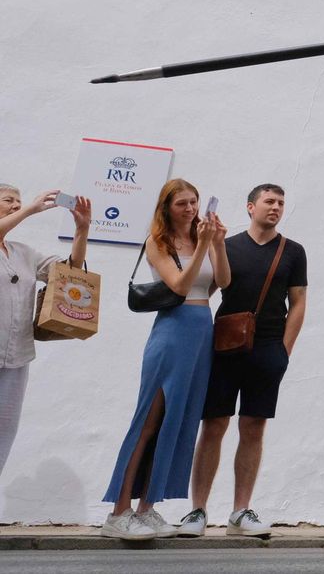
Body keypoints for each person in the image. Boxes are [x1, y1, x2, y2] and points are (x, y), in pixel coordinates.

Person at [102, 179, 232, 540]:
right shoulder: (157, 242)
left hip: (201, 330)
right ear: (166, 209)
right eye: (181, 204)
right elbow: (178, 285)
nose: (190, 209)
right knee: (148, 421)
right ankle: (118, 512)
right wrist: (204, 243)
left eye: (194, 202)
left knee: (178, 420)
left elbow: (221, 281)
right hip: (172, 332)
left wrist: (216, 245)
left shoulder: (203, 240)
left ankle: (147, 509)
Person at [181, 183, 307, 539]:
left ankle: (240, 511)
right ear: (250, 207)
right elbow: (207, 292)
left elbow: (298, 302)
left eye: (281, 202)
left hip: (269, 348)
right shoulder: (228, 246)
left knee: (253, 428)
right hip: (224, 346)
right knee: (214, 426)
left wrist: (285, 349)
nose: (276, 207)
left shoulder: (293, 251)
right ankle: (197, 511)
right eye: (269, 201)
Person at [0, 186, 91, 479]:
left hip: (16, 356)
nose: (16, 205)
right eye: (8, 200)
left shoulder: (23, 253)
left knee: (4, 433)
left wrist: (82, 229)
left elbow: (71, 270)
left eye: (18, 200)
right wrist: (30, 209)